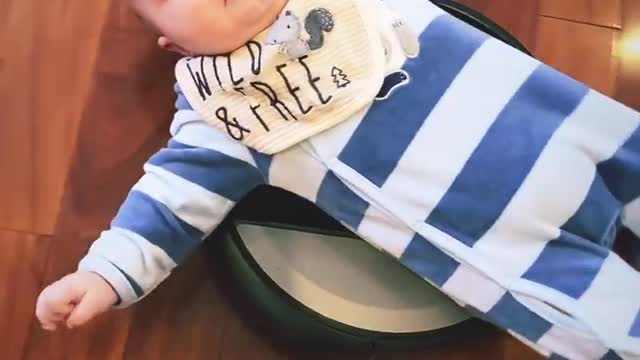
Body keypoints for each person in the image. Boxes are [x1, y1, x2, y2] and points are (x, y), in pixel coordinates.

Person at [35, 0, 640, 358]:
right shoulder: (222, 116)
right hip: (512, 251)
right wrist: (104, 274)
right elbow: (169, 203)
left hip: (576, 135)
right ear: (176, 45)